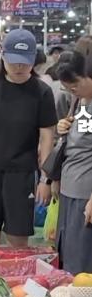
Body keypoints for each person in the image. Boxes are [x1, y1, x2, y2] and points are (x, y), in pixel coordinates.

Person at [0, 29, 57, 247]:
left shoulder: (42, 92)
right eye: (14, 62)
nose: (19, 67)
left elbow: (46, 139)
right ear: (3, 56)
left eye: (25, 62)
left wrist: (45, 179)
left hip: (22, 174)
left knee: (18, 235)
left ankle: (16, 270)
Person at [52, 51, 92, 274]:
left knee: (81, 262)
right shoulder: (79, 101)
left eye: (75, 85)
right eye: (68, 88)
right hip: (69, 187)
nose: (73, 90)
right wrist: (64, 128)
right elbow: (80, 142)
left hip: (85, 192)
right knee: (67, 255)